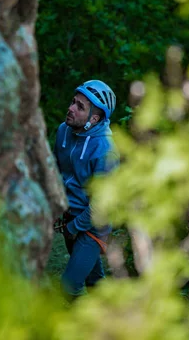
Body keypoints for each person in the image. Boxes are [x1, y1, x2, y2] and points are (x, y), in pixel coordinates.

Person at [53, 79, 119, 300]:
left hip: (93, 225)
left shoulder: (105, 151)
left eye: (80, 107)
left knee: (68, 286)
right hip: (69, 216)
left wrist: (73, 227)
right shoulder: (64, 131)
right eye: (73, 101)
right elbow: (56, 170)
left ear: (94, 119)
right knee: (93, 281)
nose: (71, 108)